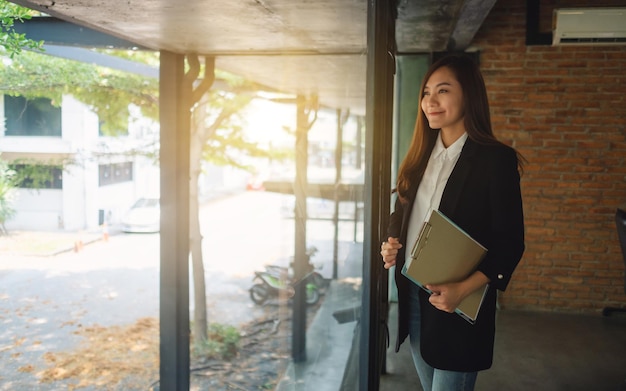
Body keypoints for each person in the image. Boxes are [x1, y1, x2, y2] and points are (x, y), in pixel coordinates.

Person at [380, 53, 525, 390]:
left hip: (458, 303)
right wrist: (391, 242)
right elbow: (400, 213)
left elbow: (510, 242)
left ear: (469, 95)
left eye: (442, 91)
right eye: (426, 92)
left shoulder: (495, 160)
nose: (430, 101)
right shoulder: (419, 157)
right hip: (415, 296)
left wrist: (461, 290)